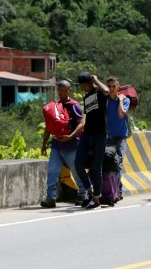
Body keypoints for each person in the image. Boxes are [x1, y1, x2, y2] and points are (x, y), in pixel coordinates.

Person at [40, 80, 87, 208]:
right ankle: (51, 198)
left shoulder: (74, 105)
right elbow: (48, 127)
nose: (63, 93)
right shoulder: (54, 106)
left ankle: (83, 194)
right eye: (61, 90)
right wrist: (44, 144)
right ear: (57, 90)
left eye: (66, 90)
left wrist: (71, 136)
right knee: (52, 171)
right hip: (56, 145)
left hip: (71, 146)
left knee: (76, 171)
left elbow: (82, 123)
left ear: (70, 91)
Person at [74, 72, 110, 209]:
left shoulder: (100, 92)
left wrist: (96, 80)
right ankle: (90, 190)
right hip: (87, 133)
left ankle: (96, 198)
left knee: (96, 167)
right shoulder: (87, 97)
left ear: (91, 82)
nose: (84, 87)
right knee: (78, 163)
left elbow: (107, 91)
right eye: (82, 85)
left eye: (86, 84)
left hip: (100, 134)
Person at [105, 76, 130, 200]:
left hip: (120, 137)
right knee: (108, 164)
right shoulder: (105, 101)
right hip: (107, 137)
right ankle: (111, 189)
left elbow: (121, 114)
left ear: (118, 87)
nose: (111, 89)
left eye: (114, 86)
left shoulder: (125, 100)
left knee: (118, 164)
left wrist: (120, 100)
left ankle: (118, 191)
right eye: (109, 86)